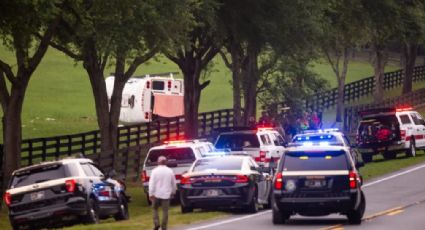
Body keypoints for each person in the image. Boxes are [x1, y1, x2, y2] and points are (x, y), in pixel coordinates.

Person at [149, 156, 177, 230]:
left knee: (155, 209)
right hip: (166, 194)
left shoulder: (154, 171)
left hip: (156, 194)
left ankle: (156, 223)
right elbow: (173, 182)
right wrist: (173, 191)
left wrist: (150, 193)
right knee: (165, 211)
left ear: (158, 162)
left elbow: (151, 183)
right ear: (166, 162)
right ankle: (164, 226)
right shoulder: (170, 171)